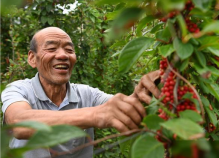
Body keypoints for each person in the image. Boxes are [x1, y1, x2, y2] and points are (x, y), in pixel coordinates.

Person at [1, 27, 160, 158]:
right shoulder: (19, 89)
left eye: (69, 50)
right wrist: (97, 115)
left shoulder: (87, 94)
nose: (63, 55)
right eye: (51, 48)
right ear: (32, 58)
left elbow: (126, 108)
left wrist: (148, 88)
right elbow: (19, 124)